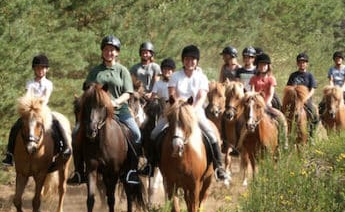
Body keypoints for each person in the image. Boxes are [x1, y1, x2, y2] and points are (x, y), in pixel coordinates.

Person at [148, 45, 231, 184]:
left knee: (211, 135)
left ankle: (219, 167)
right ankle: (151, 164)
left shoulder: (201, 77)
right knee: (155, 133)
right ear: (183, 60)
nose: (190, 62)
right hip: (176, 110)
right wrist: (179, 109)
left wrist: (191, 111)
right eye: (187, 59)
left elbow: (201, 97)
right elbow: (172, 95)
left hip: (195, 111)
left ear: (197, 61)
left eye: (193, 59)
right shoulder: (175, 76)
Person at [68, 35, 145, 185]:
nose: (109, 52)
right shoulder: (95, 71)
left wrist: (115, 102)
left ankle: (132, 171)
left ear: (117, 53)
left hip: (119, 111)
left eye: (112, 50)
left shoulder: (122, 71)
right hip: (97, 113)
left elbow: (128, 92)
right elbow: (88, 91)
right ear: (102, 52)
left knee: (136, 134)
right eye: (106, 49)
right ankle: (79, 172)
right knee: (76, 133)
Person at [1, 54, 72, 168]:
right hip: (31, 110)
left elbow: (46, 98)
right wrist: (30, 106)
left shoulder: (49, 84)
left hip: (43, 109)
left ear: (46, 69)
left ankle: (65, 148)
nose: (40, 70)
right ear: (34, 69)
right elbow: (27, 96)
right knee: (16, 126)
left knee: (57, 123)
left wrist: (38, 105)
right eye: (38, 68)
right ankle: (9, 155)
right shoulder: (30, 83)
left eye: (43, 68)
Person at [247, 53, 289, 148]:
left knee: (281, 117)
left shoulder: (271, 79)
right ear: (257, 66)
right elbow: (252, 91)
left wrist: (265, 103)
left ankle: (284, 140)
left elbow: (270, 93)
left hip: (267, 103)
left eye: (264, 65)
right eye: (261, 65)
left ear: (268, 66)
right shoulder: (254, 78)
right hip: (255, 104)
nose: (262, 67)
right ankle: (240, 142)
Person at [322, 50, 345, 130]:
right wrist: (332, 87)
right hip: (333, 90)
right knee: (322, 104)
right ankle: (323, 121)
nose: (338, 59)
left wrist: (341, 88)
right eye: (336, 58)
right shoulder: (331, 69)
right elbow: (331, 79)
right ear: (334, 60)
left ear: (342, 59)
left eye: (340, 58)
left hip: (343, 89)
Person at [286, 52, 319, 137]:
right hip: (294, 100)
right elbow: (289, 88)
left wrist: (306, 98)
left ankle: (312, 134)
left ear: (306, 64)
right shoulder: (293, 75)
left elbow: (312, 89)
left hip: (306, 100)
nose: (302, 64)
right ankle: (285, 133)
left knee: (314, 113)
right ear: (297, 63)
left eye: (303, 62)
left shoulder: (310, 75)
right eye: (300, 62)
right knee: (284, 111)